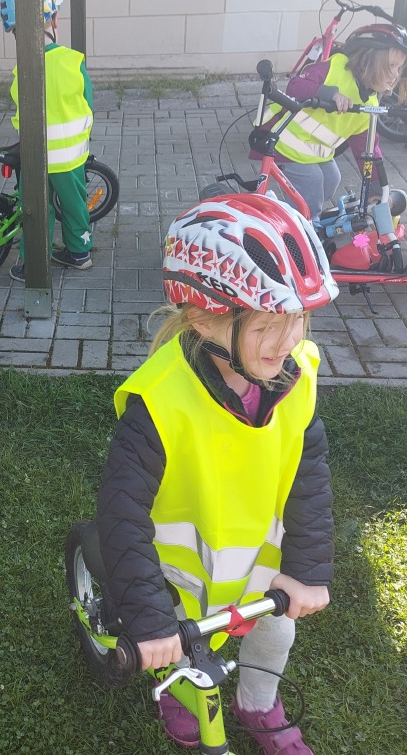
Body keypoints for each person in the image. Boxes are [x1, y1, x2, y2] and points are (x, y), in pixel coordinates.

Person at [94, 193, 337, 753]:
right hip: (181, 577)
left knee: (276, 635)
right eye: (268, 325)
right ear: (205, 319)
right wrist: (150, 619)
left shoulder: (296, 379)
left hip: (260, 567)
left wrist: (306, 568)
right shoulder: (159, 402)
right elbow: (122, 511)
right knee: (181, 648)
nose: (288, 341)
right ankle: (180, 695)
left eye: (298, 319)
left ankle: (258, 704)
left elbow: (310, 478)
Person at [265, 23, 407, 216]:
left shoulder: (368, 103)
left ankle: (297, 212)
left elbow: (367, 149)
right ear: (369, 61)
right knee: (312, 183)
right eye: (392, 66)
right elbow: (295, 86)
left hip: (311, 149)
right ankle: (301, 224)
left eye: (399, 67)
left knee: (331, 178)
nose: (396, 75)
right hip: (282, 140)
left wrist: (377, 188)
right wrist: (330, 94)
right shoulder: (334, 69)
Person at [0, 0, 95, 281]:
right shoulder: (72, 61)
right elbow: (88, 102)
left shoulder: (22, 71)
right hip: (71, 157)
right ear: (53, 19)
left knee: (36, 209)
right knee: (74, 204)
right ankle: (79, 253)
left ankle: (32, 264)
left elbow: (21, 110)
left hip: (35, 156)